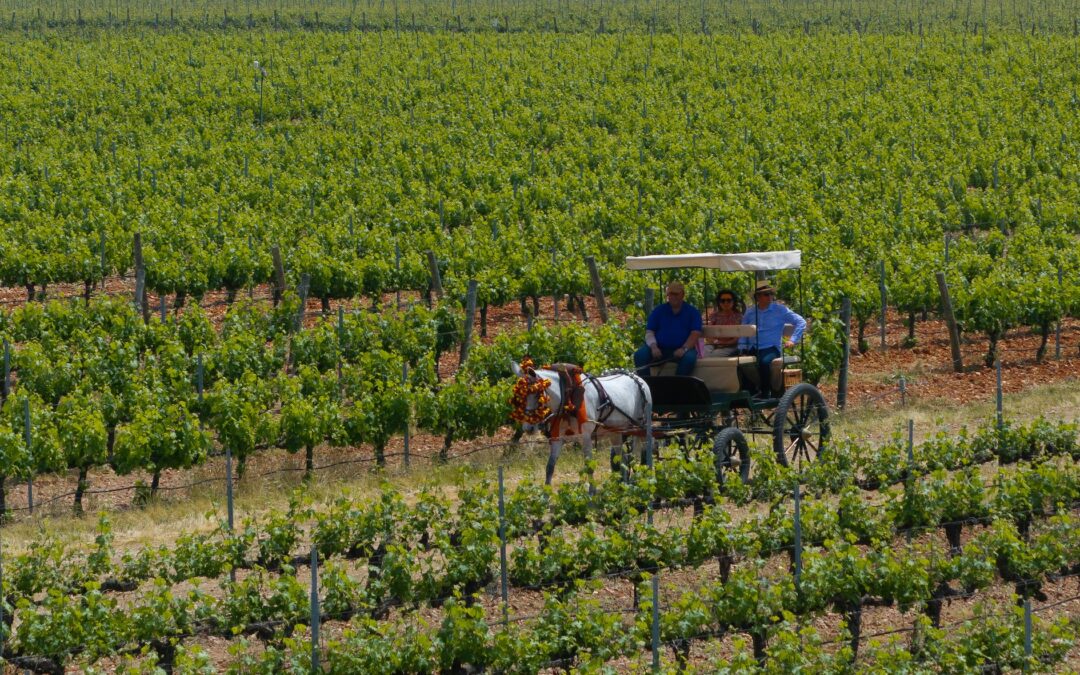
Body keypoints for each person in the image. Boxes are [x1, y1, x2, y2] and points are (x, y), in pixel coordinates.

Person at [737, 280, 806, 397]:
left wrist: (792, 340)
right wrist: (742, 348)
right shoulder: (750, 312)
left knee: (764, 363)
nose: (770, 296)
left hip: (771, 348)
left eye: (770, 293)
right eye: (766, 294)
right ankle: (750, 389)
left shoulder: (780, 310)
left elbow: (801, 321)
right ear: (757, 297)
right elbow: (744, 331)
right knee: (741, 362)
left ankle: (766, 392)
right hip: (753, 347)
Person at [634, 281, 703, 377]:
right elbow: (649, 332)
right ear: (667, 295)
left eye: (676, 294)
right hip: (659, 349)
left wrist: (684, 349)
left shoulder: (693, 312)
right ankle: (647, 385)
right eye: (671, 294)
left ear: (683, 294)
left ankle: (677, 386)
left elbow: (695, 334)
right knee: (640, 355)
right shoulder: (658, 310)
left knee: (690, 358)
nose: (673, 296)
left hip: (682, 349)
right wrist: (654, 347)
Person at [705, 289, 744, 357]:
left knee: (714, 355)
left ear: (733, 301)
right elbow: (708, 334)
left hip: (732, 346)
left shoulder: (739, 316)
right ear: (719, 302)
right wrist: (716, 342)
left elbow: (738, 337)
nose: (726, 303)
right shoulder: (714, 316)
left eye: (729, 300)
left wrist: (724, 343)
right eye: (722, 301)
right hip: (714, 344)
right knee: (702, 353)